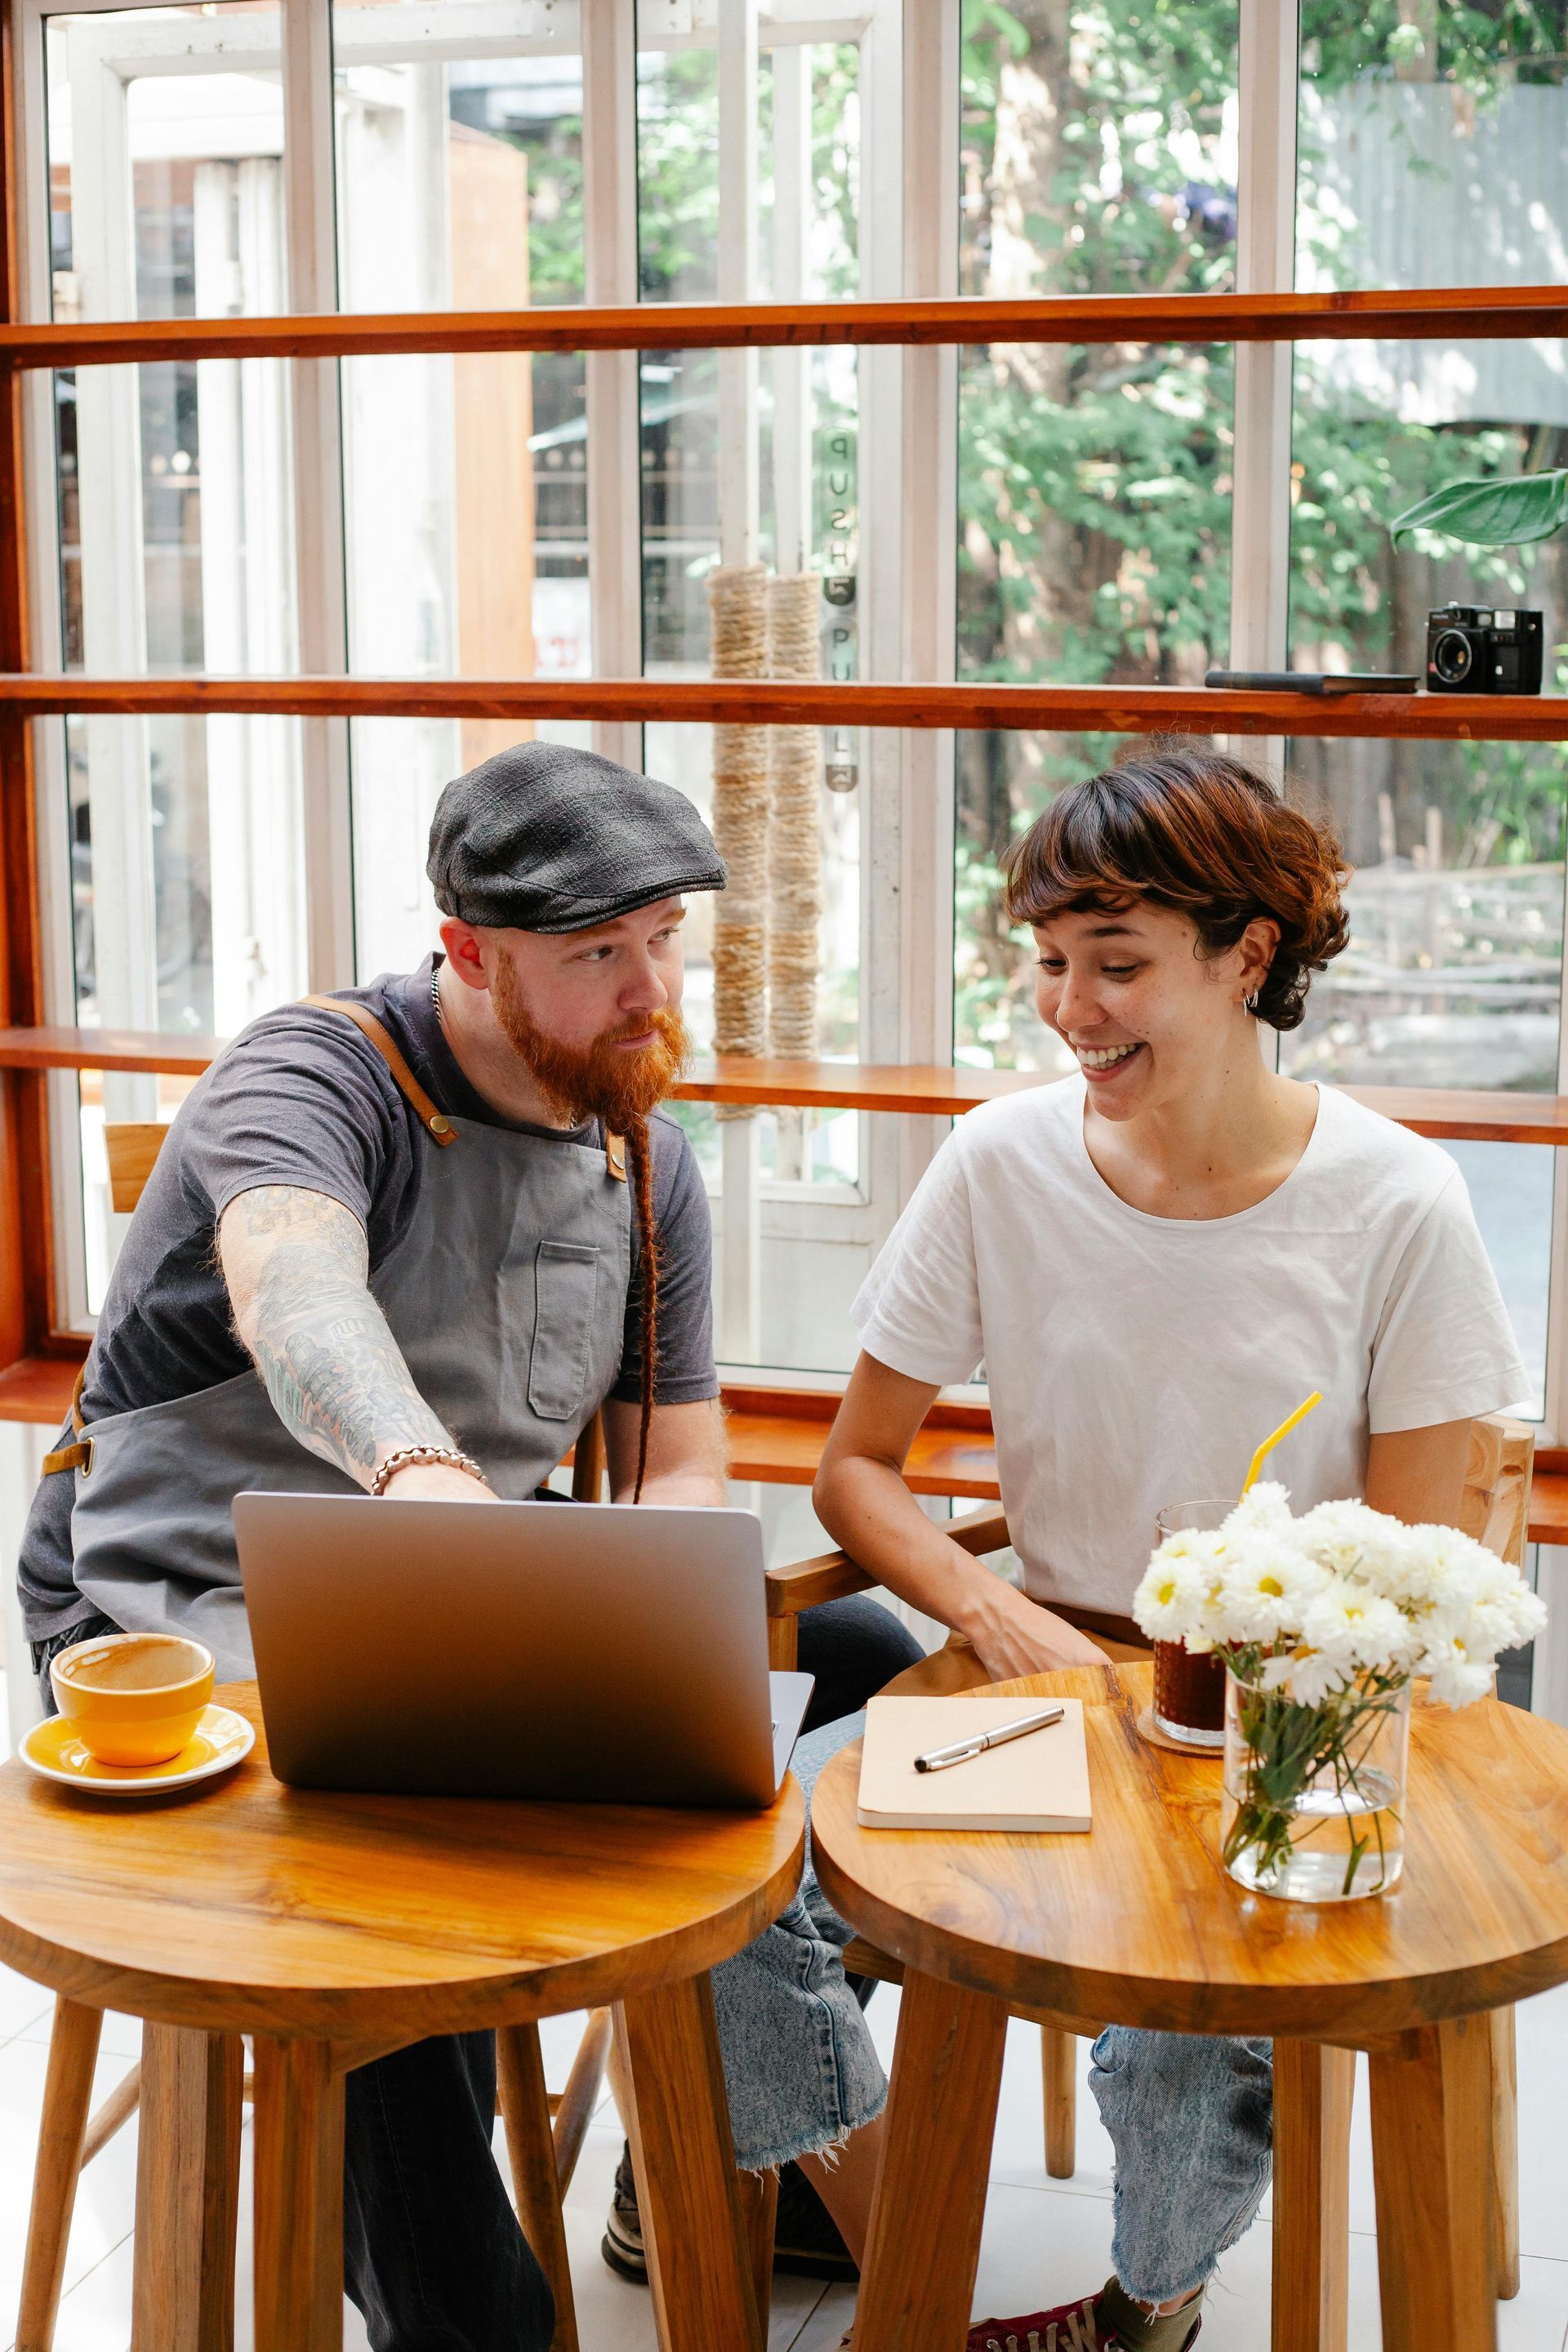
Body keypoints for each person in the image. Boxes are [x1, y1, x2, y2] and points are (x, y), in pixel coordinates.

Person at [16, 739, 920, 2352]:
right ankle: (471, 2319)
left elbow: (682, 1457)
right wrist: (421, 1479)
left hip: (484, 1592)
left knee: (865, 1683)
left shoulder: (642, 1151)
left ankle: (719, 2143)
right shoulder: (317, 1071)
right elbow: (299, 1289)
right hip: (185, 1596)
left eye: (663, 945)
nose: (650, 996)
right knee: (378, 1904)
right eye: (597, 958)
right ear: (471, 956)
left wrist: (654, 1612)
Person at [721, 744, 1529, 2352]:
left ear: (1245, 959)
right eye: (1046, 965)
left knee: (1181, 2025)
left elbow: (1424, 1552)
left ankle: (1143, 2303)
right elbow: (858, 1473)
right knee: (727, 1908)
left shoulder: (1397, 1203)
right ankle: (903, 2262)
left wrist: (1254, 1699)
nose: (1070, 1009)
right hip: (1036, 1675)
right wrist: (997, 1621)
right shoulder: (1002, 1158)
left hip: (1291, 1705)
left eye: (1117, 965)